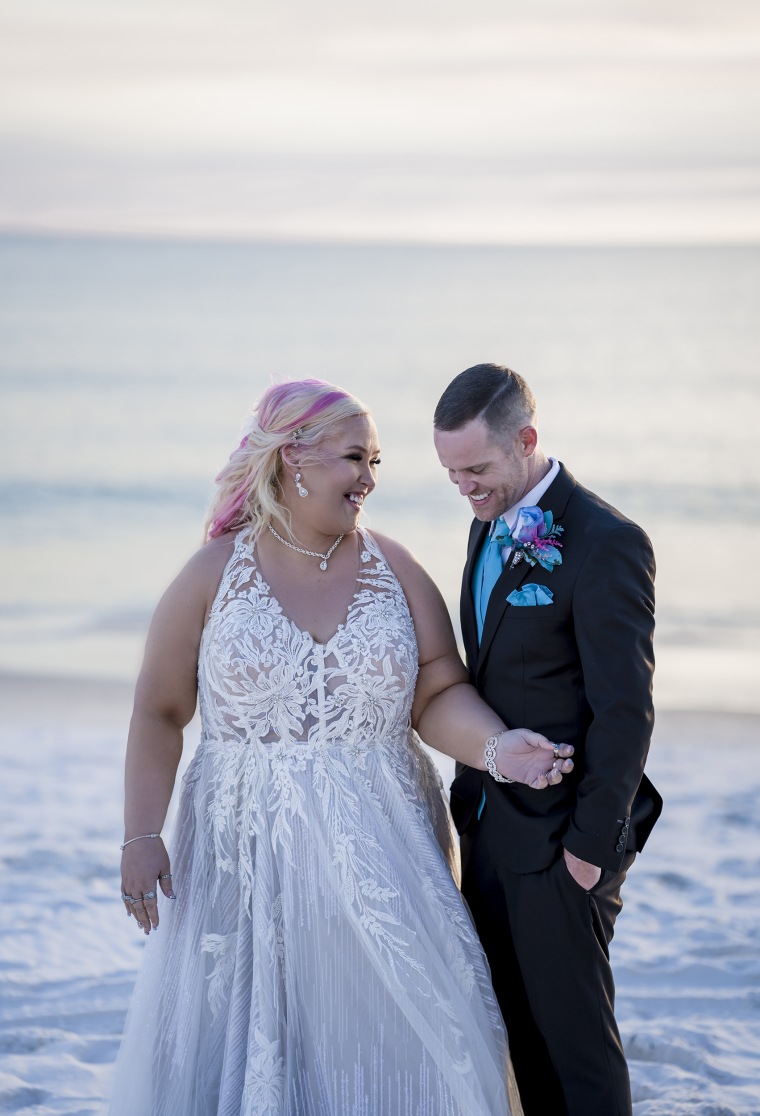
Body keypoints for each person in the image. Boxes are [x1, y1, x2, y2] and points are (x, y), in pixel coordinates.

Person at [111, 378, 575, 1116]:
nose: (369, 479)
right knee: (263, 1044)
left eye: (376, 461)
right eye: (354, 458)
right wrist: (141, 834)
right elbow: (159, 710)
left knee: (436, 1034)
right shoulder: (212, 576)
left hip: (385, 850)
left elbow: (435, 692)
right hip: (247, 856)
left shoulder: (396, 569)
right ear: (292, 457)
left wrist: (496, 747)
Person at [433, 363, 663, 1116]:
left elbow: (626, 714)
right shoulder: (485, 522)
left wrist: (589, 854)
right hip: (491, 830)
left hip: (567, 841)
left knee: (578, 1051)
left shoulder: (607, 542)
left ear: (526, 440)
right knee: (519, 1039)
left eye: (476, 468)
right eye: (450, 472)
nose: (464, 488)